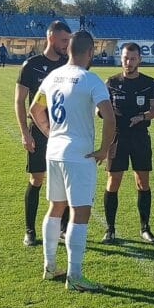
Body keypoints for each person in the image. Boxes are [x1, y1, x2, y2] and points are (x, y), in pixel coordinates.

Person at [28, 30, 116, 292]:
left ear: (68, 50)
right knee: (79, 212)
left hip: (54, 152)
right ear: (90, 52)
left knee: (55, 207)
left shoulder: (53, 76)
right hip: (78, 155)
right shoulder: (90, 79)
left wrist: (50, 133)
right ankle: (75, 275)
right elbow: (110, 117)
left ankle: (49, 266)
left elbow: (34, 109)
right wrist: (104, 149)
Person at [15, 20, 72, 246]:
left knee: (66, 180)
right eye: (64, 40)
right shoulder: (31, 65)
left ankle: (63, 228)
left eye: (69, 40)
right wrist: (24, 133)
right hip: (39, 131)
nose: (67, 44)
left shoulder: (69, 64)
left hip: (64, 132)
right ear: (51, 37)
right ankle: (29, 230)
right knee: (37, 178)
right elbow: (19, 101)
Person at [101, 42, 154, 244]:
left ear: (139, 60)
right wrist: (101, 112)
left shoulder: (150, 83)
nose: (129, 62)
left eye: (133, 58)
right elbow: (100, 109)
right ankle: (110, 229)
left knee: (142, 182)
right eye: (126, 58)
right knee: (113, 181)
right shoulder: (111, 82)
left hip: (140, 136)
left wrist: (142, 117)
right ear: (121, 58)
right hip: (117, 137)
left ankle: (145, 228)